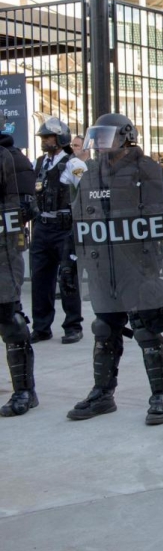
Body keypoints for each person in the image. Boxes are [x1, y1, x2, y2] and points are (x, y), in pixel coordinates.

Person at [67, 114, 163, 425]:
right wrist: (72, 258)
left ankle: (160, 395)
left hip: (136, 264)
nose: (101, 144)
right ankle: (103, 393)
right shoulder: (90, 172)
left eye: (107, 137)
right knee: (104, 328)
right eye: (97, 137)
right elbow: (78, 217)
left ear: (126, 137)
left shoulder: (147, 169)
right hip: (104, 264)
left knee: (145, 329)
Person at [25, 116, 85, 344]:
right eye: (43, 137)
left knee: (68, 277)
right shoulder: (38, 163)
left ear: (60, 138)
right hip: (42, 227)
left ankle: (73, 326)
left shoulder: (74, 164)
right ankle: (41, 327)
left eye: (48, 137)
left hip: (64, 229)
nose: (44, 141)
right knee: (40, 278)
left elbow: (85, 193)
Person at [0, 147, 37, 416]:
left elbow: (25, 208)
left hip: (3, 249)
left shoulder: (11, 158)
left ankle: (24, 390)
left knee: (7, 315)